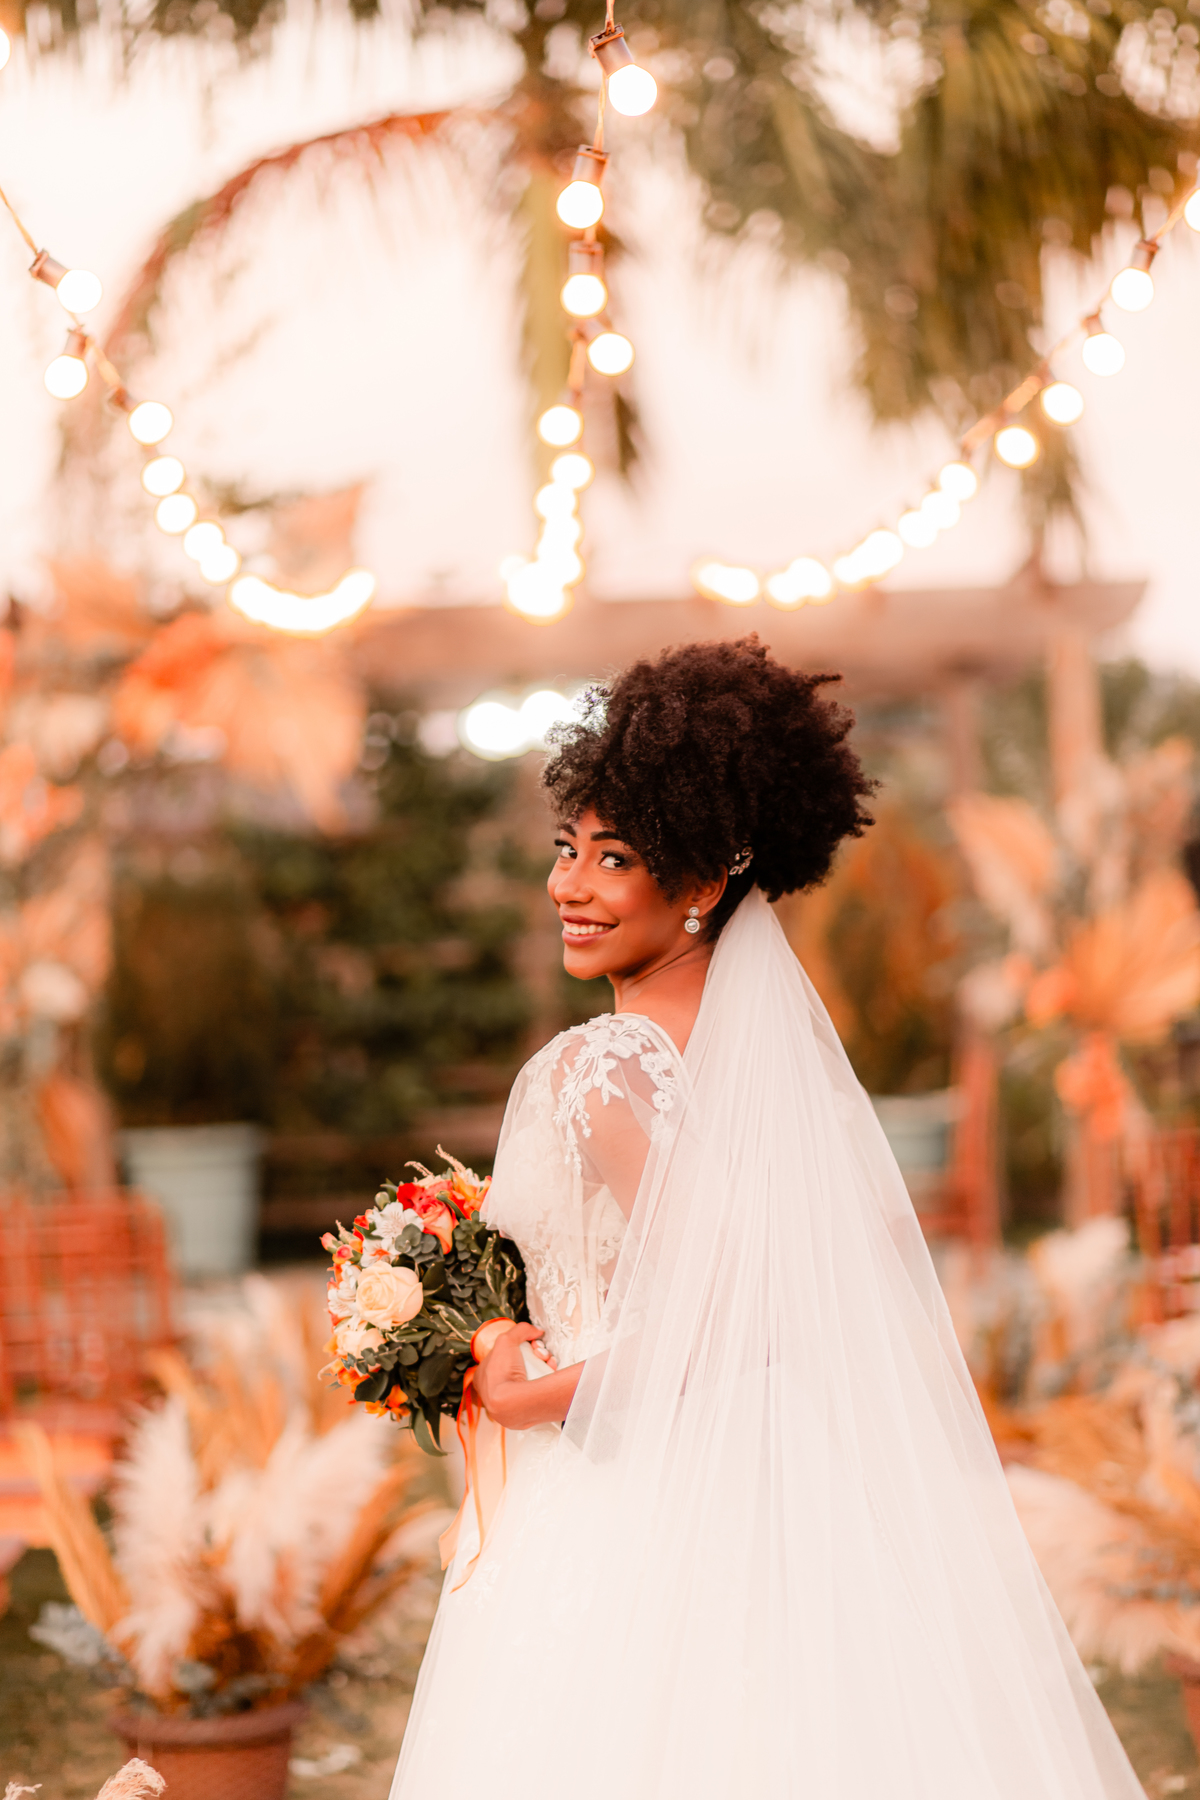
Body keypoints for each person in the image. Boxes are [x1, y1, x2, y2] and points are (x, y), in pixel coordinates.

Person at [390, 636, 1143, 1800]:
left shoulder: (597, 1073)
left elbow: (750, 1309)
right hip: (761, 1489)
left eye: (614, 858)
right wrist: (488, 1323)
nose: (569, 887)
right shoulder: (758, 1076)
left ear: (702, 885)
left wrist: (530, 1384)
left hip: (624, 1498)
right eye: (565, 848)